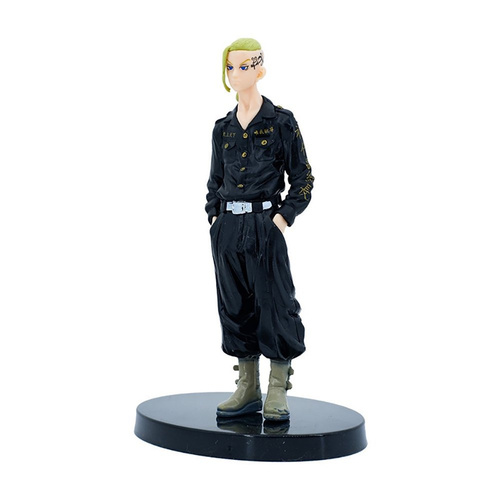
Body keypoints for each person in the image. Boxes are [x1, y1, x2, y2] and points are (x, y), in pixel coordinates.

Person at [206, 38, 314, 421]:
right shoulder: (222, 129)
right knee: (235, 305)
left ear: (259, 69)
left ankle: (277, 386)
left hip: (265, 225)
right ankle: (247, 386)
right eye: (230, 67)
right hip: (228, 229)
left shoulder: (281, 122)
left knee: (275, 302)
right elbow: (214, 181)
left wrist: (281, 220)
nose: (235, 74)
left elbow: (303, 178)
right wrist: (215, 220)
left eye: (243, 66)